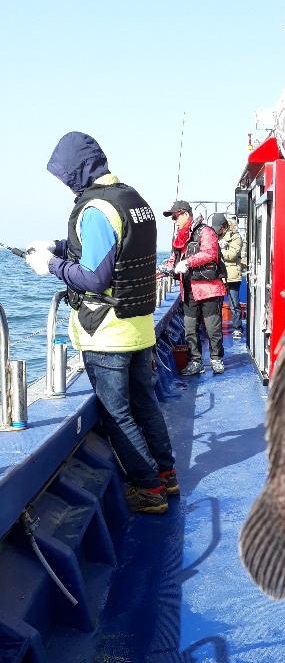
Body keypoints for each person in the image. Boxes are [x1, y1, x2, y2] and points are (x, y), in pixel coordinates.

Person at [25, 131, 178, 515]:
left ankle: (149, 489)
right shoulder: (132, 199)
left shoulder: (94, 209)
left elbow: (94, 277)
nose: (66, 185)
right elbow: (111, 247)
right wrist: (58, 246)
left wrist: (51, 265)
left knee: (117, 414)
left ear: (77, 170)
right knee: (145, 405)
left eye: (66, 176)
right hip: (139, 326)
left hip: (107, 332)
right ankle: (167, 474)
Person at [161, 202, 226, 374]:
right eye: (172, 218)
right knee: (190, 327)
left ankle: (216, 358)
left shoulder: (206, 231)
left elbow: (209, 253)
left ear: (185, 214)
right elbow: (174, 259)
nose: (174, 221)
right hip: (188, 289)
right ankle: (195, 361)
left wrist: (187, 262)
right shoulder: (179, 237)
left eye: (175, 217)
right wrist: (168, 268)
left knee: (213, 326)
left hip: (208, 288)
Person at [210, 213, 243, 340]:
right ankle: (216, 329)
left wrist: (219, 250)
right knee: (216, 305)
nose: (216, 231)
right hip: (218, 275)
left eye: (218, 228)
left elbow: (232, 255)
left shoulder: (235, 237)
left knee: (234, 304)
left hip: (231, 276)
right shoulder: (214, 236)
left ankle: (237, 328)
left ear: (224, 226)